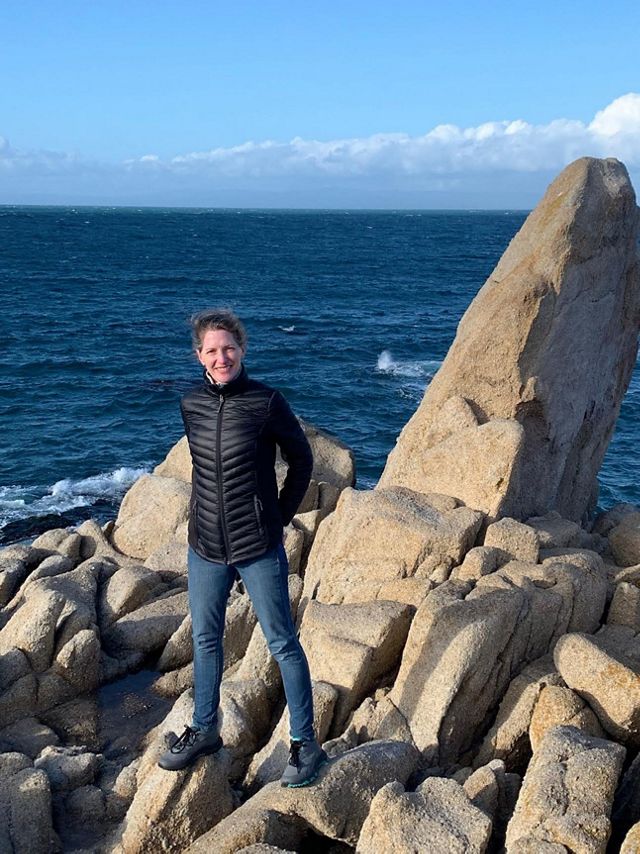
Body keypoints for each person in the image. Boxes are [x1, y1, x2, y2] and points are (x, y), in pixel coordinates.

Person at [158, 308, 327, 787]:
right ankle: (205, 728)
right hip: (206, 544)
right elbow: (201, 468)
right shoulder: (190, 403)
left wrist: (278, 515)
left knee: (283, 644)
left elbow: (302, 459)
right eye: (211, 350)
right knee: (206, 640)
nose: (221, 356)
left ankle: (304, 743)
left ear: (242, 349)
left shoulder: (266, 402)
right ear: (199, 357)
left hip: (256, 543)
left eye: (228, 348)